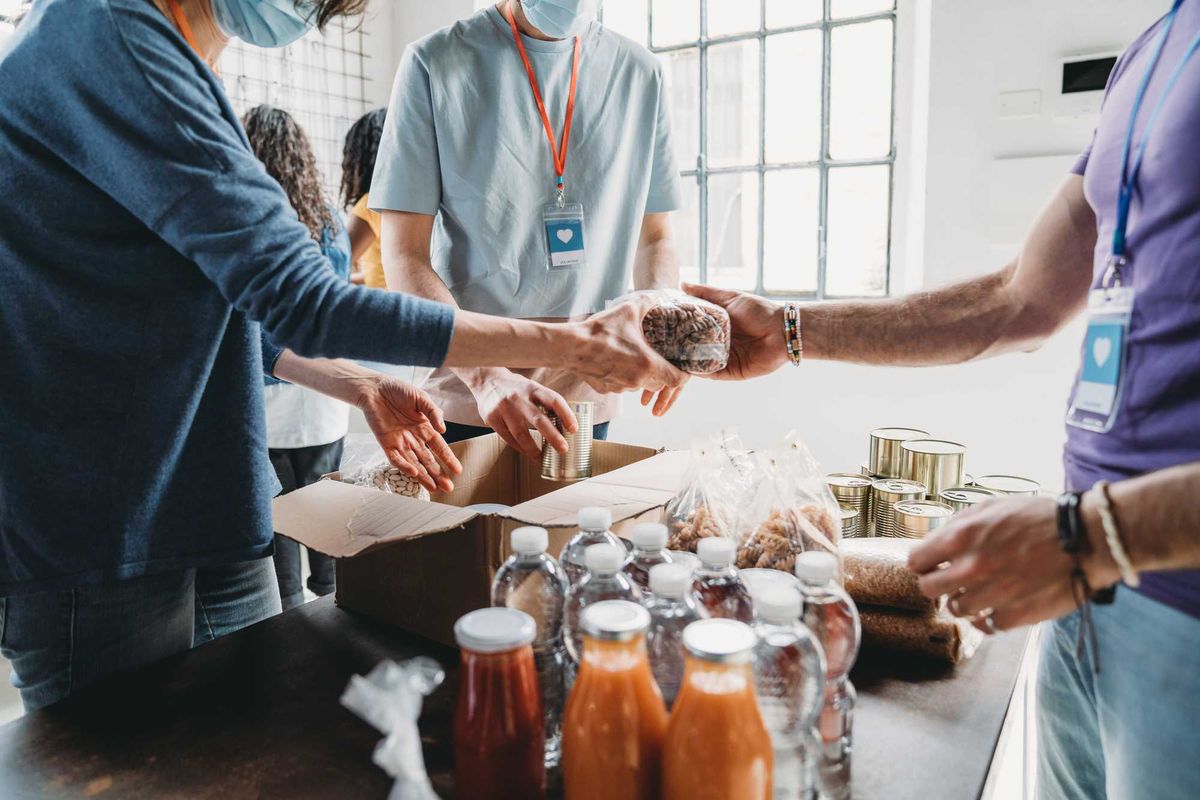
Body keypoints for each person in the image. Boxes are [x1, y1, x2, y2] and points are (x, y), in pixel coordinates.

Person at [0, 0, 682, 711]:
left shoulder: (167, 51)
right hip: (101, 523)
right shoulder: (110, 32)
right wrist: (570, 345)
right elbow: (304, 297)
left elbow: (236, 307)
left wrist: (362, 387)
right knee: (127, 762)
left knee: (250, 736)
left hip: (208, 502)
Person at [685, 3, 1200, 795]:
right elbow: (1017, 299)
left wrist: (1096, 532)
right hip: (1087, 596)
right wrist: (788, 331)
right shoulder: (1155, 49)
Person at [374, 0, 686, 458]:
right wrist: (484, 374)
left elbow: (656, 237)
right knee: (471, 528)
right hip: (469, 385)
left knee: (576, 528)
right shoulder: (435, 62)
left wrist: (664, 329)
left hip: (589, 387)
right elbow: (404, 254)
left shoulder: (641, 73)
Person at [243, 103, 355, 609]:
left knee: (279, 517)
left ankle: (288, 618)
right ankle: (336, 604)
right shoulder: (329, 222)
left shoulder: (245, 220)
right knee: (326, 508)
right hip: (324, 394)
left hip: (266, 391)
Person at [341, 108, 387, 289]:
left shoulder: (371, 204)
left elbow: (339, 259)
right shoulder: (404, 202)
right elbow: (381, 271)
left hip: (386, 310)